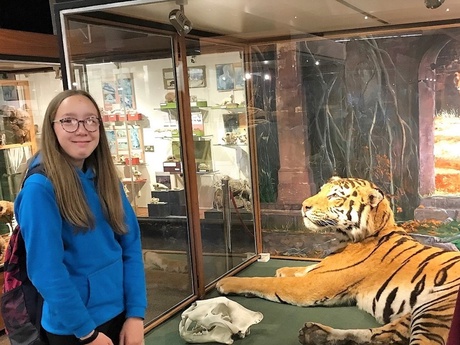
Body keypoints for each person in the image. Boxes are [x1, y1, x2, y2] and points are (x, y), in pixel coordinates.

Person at [14, 90, 147, 345]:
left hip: (119, 314)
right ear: (52, 128)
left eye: (90, 120)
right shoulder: (40, 189)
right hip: (75, 328)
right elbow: (46, 271)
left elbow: (130, 247)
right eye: (68, 120)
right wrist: (87, 333)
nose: (82, 129)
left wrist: (135, 314)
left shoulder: (104, 177)